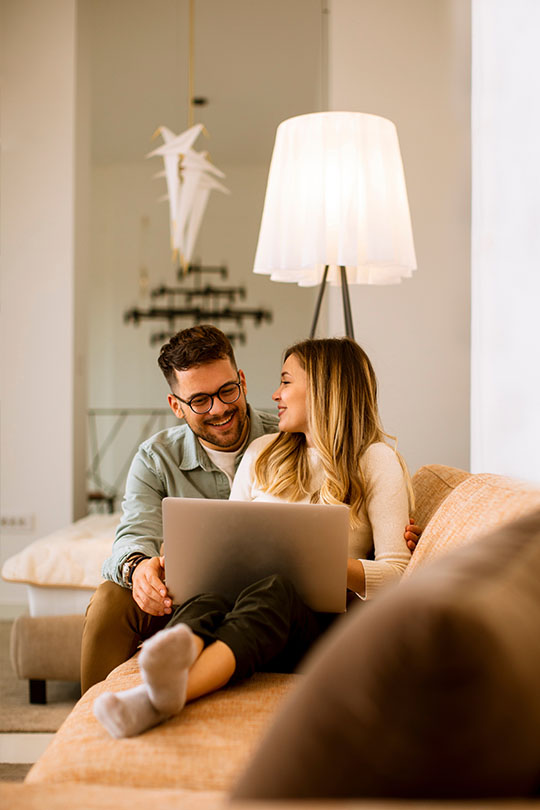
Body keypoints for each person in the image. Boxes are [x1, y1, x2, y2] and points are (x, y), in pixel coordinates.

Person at [93, 337, 415, 739]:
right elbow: (229, 541)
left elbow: (399, 575)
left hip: (316, 625)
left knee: (277, 586)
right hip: (243, 610)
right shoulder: (262, 451)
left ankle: (166, 696)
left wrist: (316, 563)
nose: (275, 394)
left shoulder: (375, 460)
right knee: (209, 598)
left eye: (286, 382)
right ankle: (170, 661)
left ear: (323, 389)